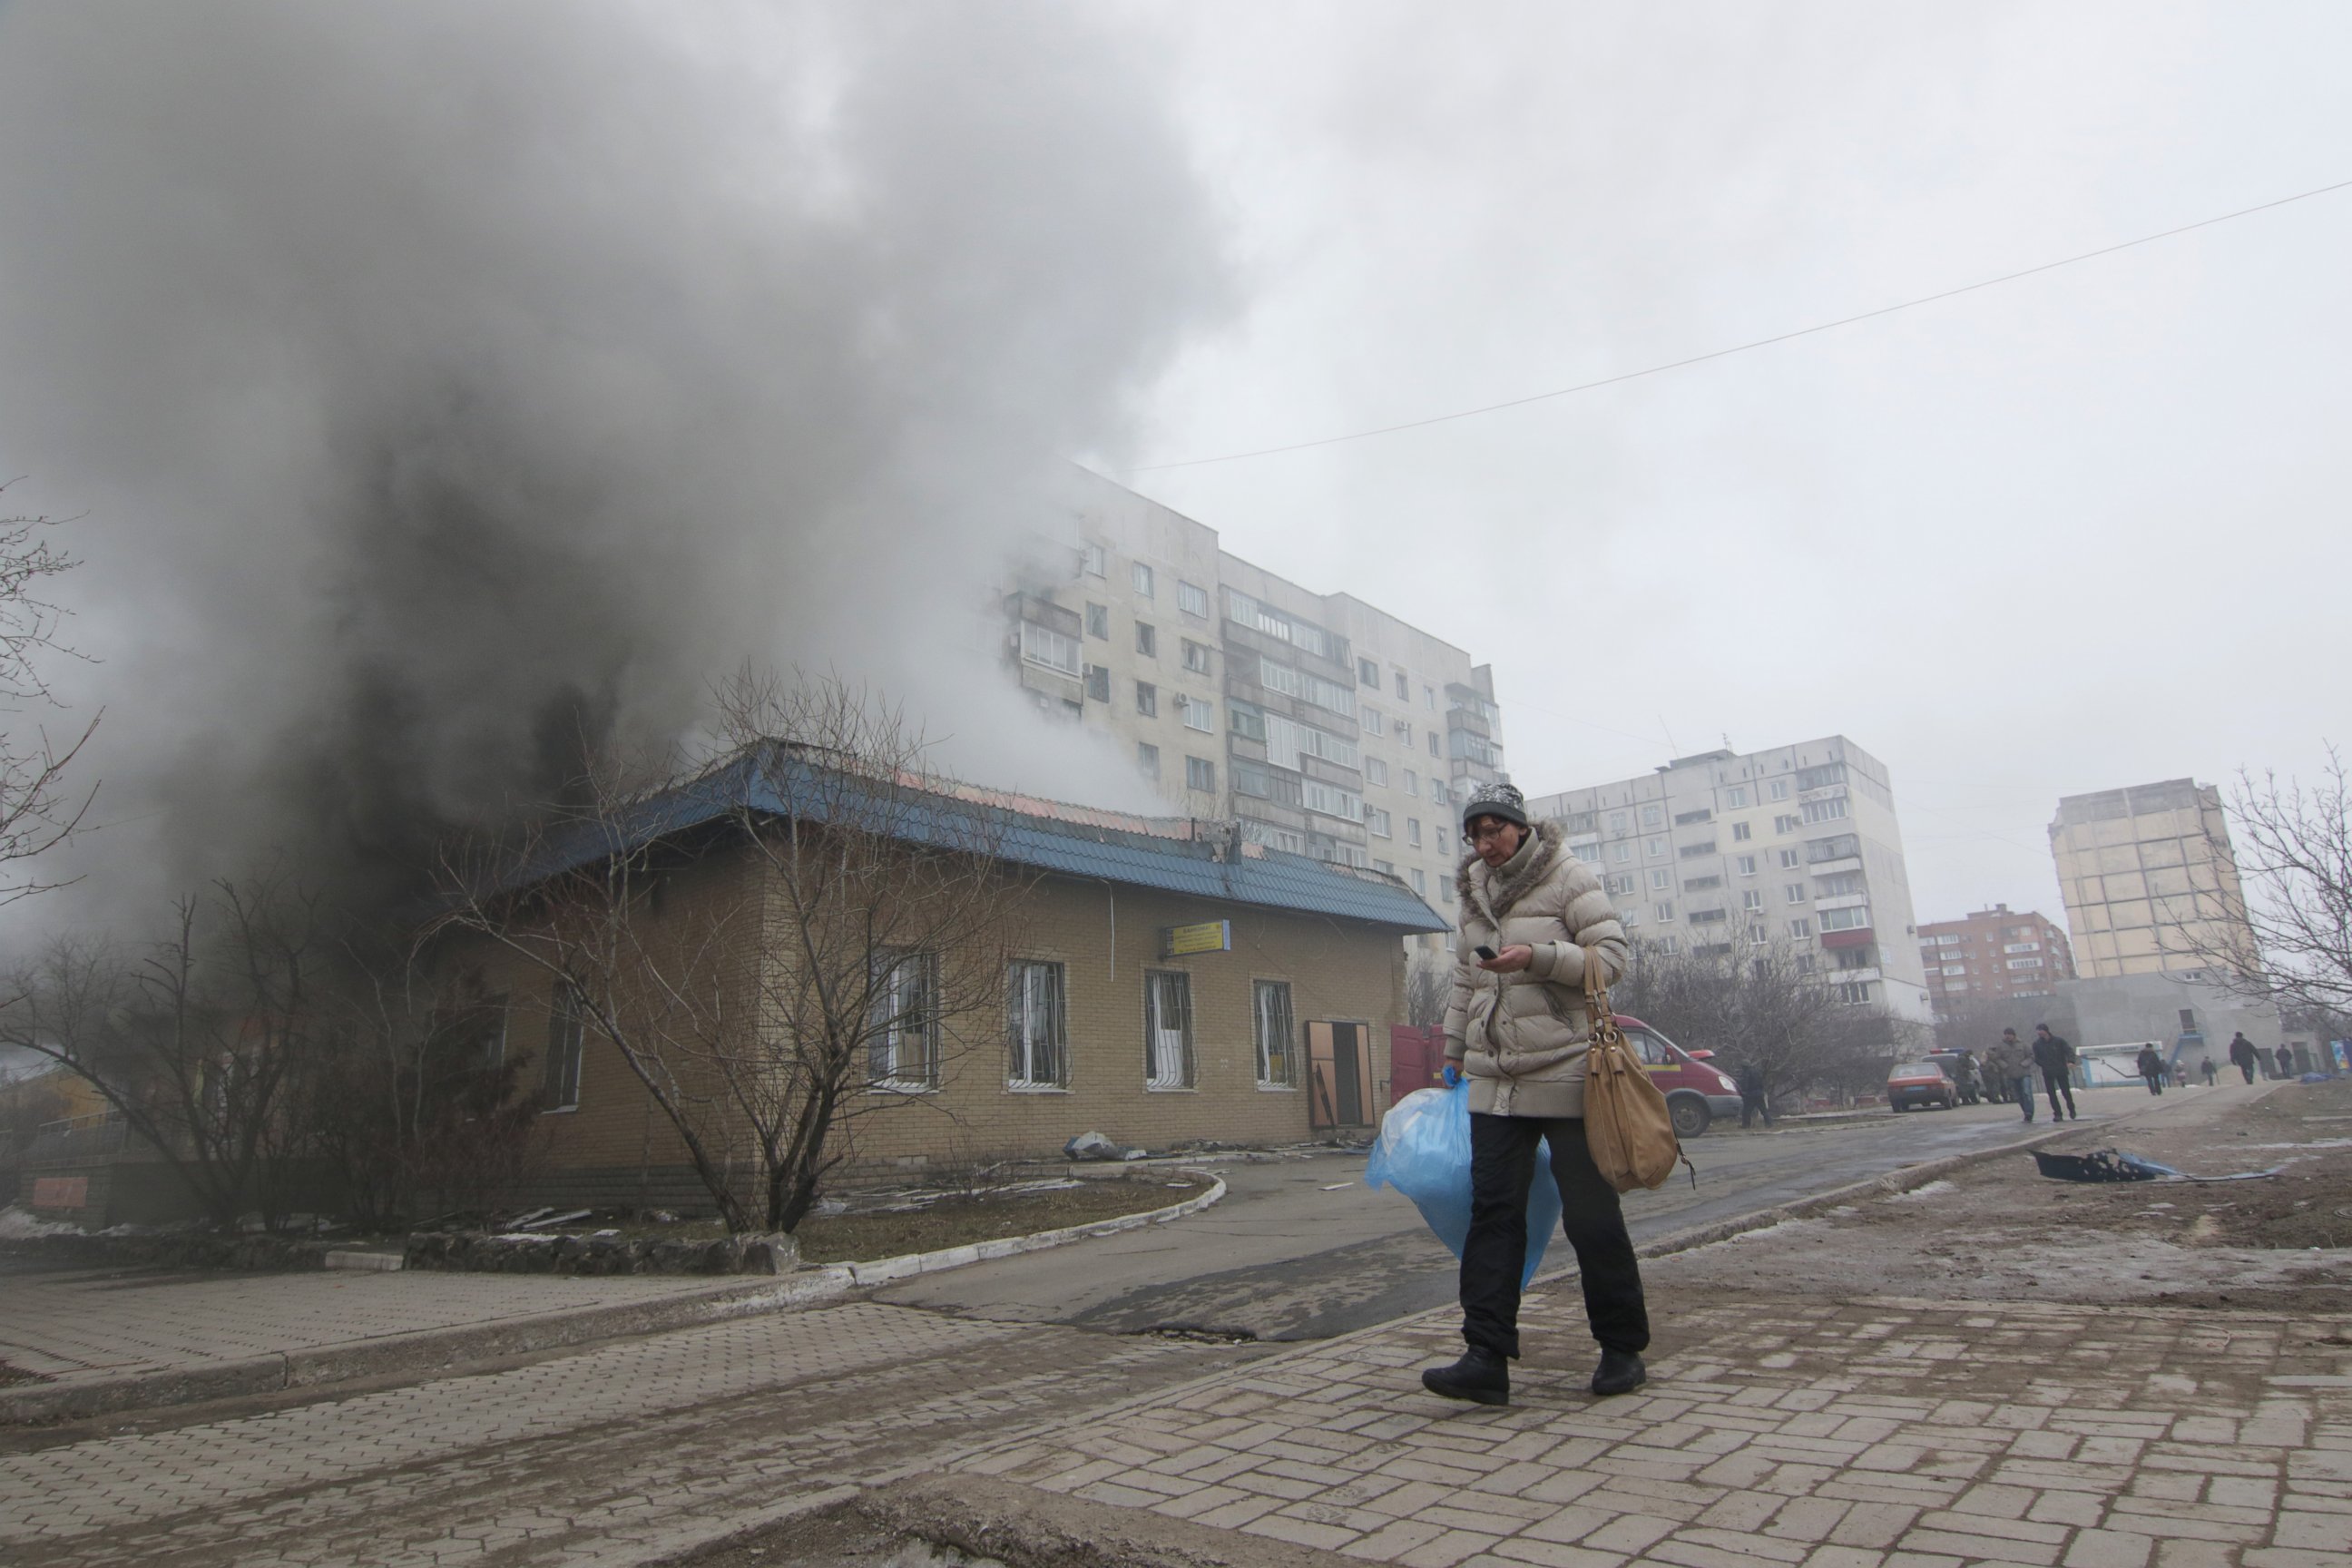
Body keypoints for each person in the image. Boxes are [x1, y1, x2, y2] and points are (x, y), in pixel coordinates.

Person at [1425, 780, 1642, 1406]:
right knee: (1491, 1217)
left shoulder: (1568, 876)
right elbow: (1466, 979)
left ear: (1520, 827)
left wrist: (1538, 958)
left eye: (1495, 830)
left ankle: (1622, 1348)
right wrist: (1453, 1053)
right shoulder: (1474, 894)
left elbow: (1613, 959)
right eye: (1475, 834)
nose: (1485, 844)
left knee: (1591, 1216)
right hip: (1496, 1081)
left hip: (1570, 1072)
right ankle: (1485, 1358)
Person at [2032, 1024, 2079, 1121]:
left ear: (2046, 1031)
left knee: (2066, 1092)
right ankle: (2057, 1113)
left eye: (2041, 1030)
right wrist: (2044, 1064)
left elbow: (2069, 1051)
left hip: (2061, 1070)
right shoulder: (2037, 1044)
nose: (2039, 1032)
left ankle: (2071, 1109)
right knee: (2051, 1094)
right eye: (2038, 1031)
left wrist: (2071, 1061)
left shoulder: (2059, 1041)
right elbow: (2036, 1058)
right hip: (2048, 1071)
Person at [1986, 1029, 2035, 1122]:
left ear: (2014, 1035)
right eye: (2006, 1034)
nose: (2007, 1036)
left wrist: (2025, 1063)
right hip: (2011, 1075)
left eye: (2009, 1034)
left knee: (2027, 1093)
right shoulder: (2001, 1046)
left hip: (2024, 1073)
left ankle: (2029, 1112)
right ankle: (2025, 1111)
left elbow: (2031, 1056)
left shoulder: (2023, 1044)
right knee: (2019, 1095)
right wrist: (2004, 1065)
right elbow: (1997, 1058)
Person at [1736, 1061, 1772, 1128]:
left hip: (1750, 1095)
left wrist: (1743, 1091)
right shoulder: (1757, 1072)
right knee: (1764, 1110)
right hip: (1759, 1093)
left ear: (1744, 1067)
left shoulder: (1746, 1073)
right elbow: (1762, 1083)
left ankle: (1746, 1125)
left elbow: (1745, 1085)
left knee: (1746, 1111)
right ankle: (1769, 1124)